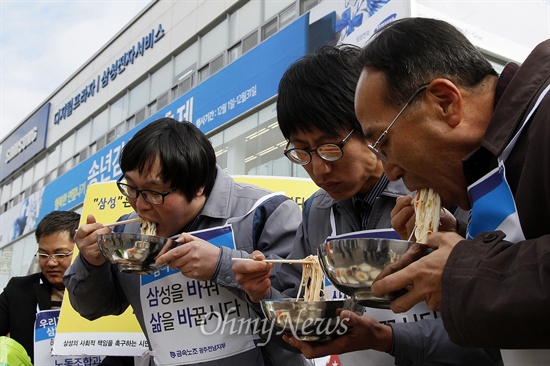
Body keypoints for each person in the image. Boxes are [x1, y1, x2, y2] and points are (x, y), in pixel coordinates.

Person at [291, 17, 550, 360]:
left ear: (445, 103)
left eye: (384, 143)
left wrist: (462, 272)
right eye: (301, 152)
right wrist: (458, 237)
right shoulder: (494, 165)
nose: (391, 169)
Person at [232, 44, 502, 365]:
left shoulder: (440, 192)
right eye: (301, 152)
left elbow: (495, 322)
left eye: (330, 147)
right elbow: (304, 316)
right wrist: (263, 293)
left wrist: (388, 339)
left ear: (370, 127)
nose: (319, 170)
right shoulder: (318, 211)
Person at [64, 117, 310, 366]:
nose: (140, 204)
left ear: (199, 186)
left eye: (154, 193)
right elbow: (94, 308)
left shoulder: (262, 213)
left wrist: (222, 266)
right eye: (131, 187)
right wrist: (91, 263)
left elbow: (304, 324)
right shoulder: (130, 231)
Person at [0, 210, 80, 364]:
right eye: (43, 255)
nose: (51, 262)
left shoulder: (103, 289)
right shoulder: (18, 290)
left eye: (61, 254)